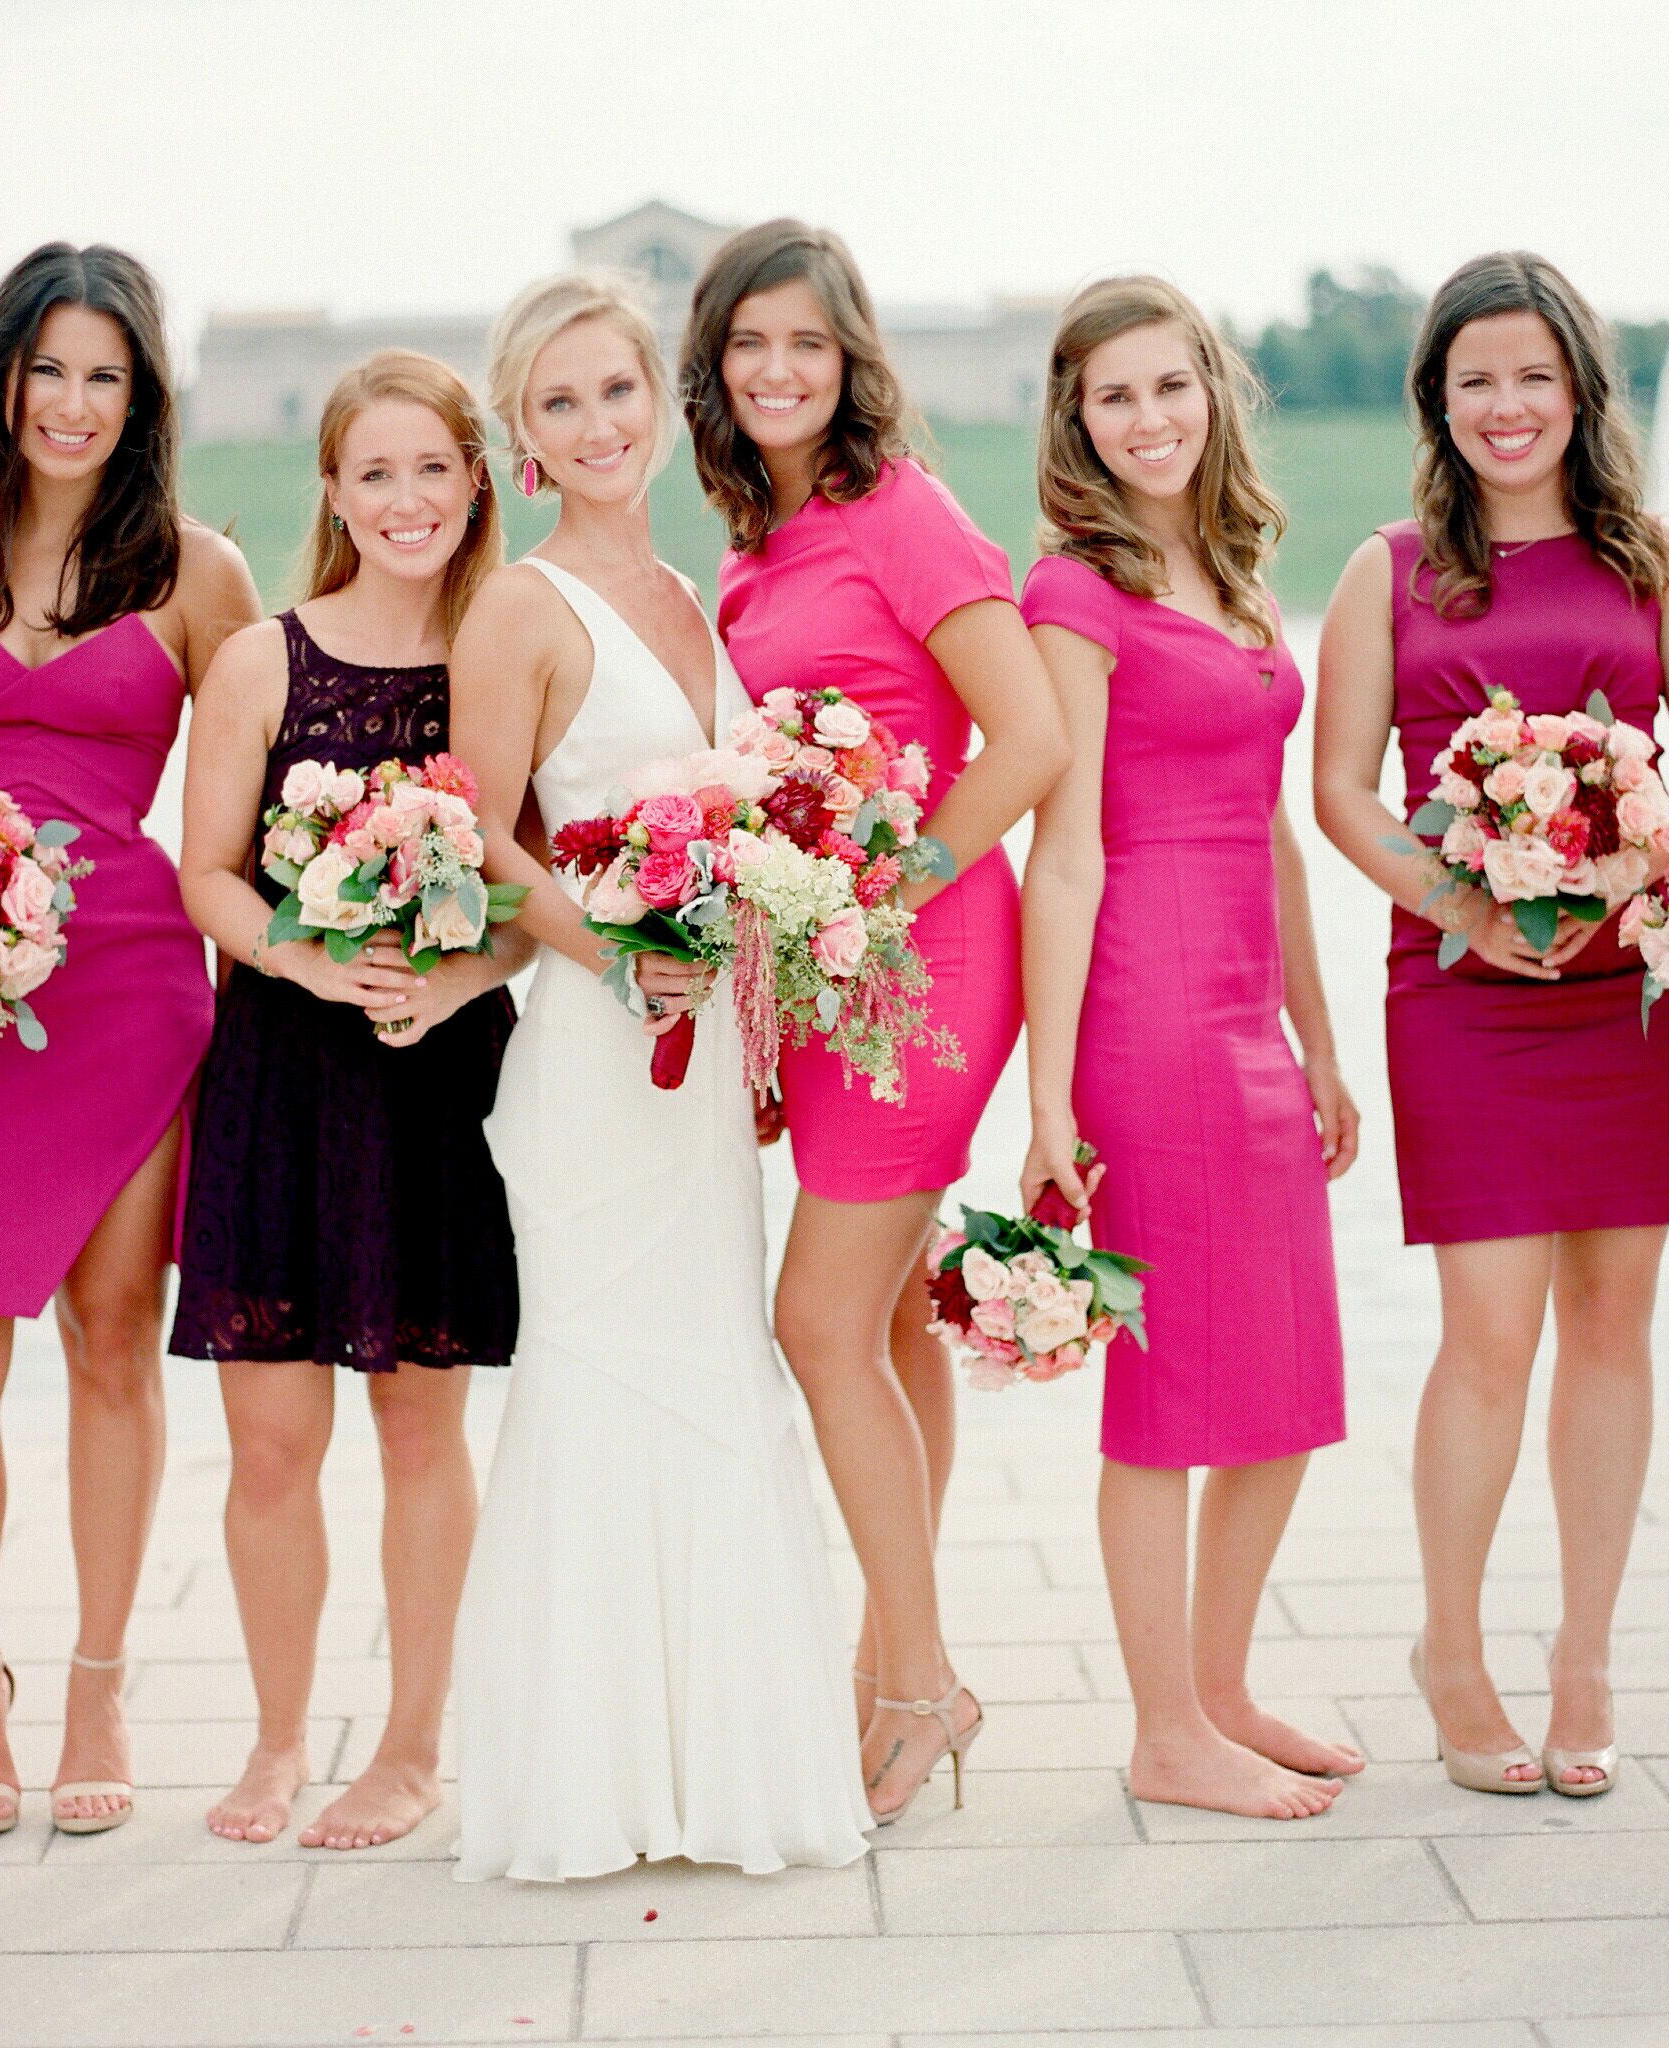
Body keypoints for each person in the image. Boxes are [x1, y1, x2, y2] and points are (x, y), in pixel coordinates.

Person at [447, 271, 873, 1880]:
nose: (597, 424)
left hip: (704, 1070)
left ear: (656, 399)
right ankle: (593, 1782)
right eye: (558, 404)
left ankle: (723, 1771)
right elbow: (479, 840)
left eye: (616, 390)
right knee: (607, 1374)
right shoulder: (520, 605)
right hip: (596, 1056)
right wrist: (616, 953)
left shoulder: (698, 595)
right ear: (526, 438)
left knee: (715, 1369)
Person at [1312, 252, 1669, 1795]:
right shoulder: (1386, 569)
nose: (1507, 406)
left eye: (1534, 377)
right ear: (1439, 398)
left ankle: (1585, 1658)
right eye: (1475, 378)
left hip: (1635, 988)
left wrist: (1633, 852)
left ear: (1580, 392)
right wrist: (1467, 902)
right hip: (1461, 989)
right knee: (1488, 1333)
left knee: (1613, 1325)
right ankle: (1452, 1649)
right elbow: (1342, 790)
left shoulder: (1658, 564)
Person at [0, 242, 261, 1835]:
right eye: (49, 370)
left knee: (108, 1338)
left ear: (140, 393)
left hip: (131, 994)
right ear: (0, 380)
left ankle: (96, 1682)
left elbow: (276, 778)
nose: (74, 404)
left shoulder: (200, 576)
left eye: (106, 374)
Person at [685, 219, 1068, 1819]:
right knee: (889, 1321)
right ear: (714, 364)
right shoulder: (756, 543)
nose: (781, 371)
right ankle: (885, 1664)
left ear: (852, 365)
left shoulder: (897, 512)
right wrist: (784, 977)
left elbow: (1030, 736)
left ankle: (922, 1681)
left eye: (810, 345)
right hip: (830, 982)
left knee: (815, 1321)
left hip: (925, 969)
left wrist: (884, 897)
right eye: (751, 344)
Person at [172, 350, 521, 1850]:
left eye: (431, 468)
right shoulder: (264, 661)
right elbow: (203, 875)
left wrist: (454, 973)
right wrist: (313, 966)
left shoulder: (510, 655)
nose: (405, 500)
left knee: (422, 1435)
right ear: (333, 491)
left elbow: (542, 895)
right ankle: (271, 1744)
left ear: (475, 479)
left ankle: (415, 1745)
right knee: (270, 1443)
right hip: (285, 1069)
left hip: (446, 1073)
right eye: (374, 473)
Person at [1017, 277, 1356, 1821]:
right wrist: (1047, 1101)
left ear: (1213, 393)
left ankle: (1218, 1688)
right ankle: (1162, 1728)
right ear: (1076, 422)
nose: (1148, 420)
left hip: (1250, 1009)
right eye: (1114, 398)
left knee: (1284, 1380)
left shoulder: (1236, 573)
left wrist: (1324, 1043)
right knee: (1168, 1392)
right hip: (1144, 1004)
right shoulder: (1073, 594)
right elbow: (1066, 850)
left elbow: (1277, 835)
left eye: (1171, 387)